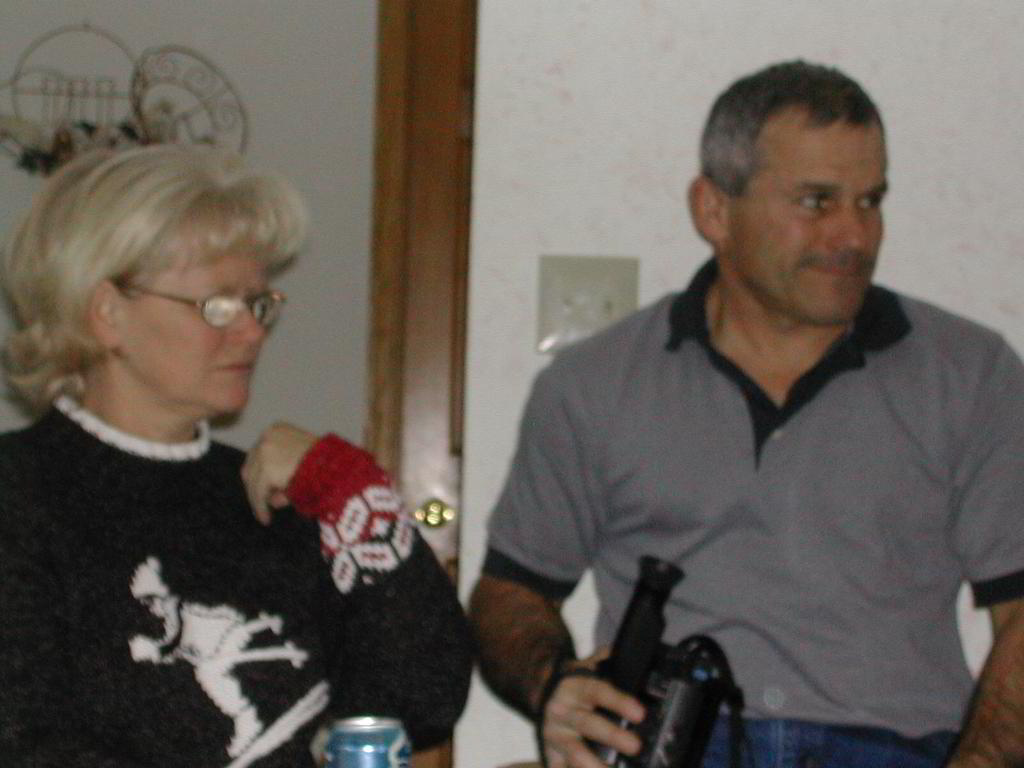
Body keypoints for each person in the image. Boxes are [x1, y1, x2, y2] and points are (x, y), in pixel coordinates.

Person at [468, 60, 1024, 768]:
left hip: (898, 751)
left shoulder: (971, 375)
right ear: (714, 210)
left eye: (870, 201)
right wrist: (556, 685)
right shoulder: (593, 385)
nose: (855, 236)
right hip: (676, 748)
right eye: (817, 202)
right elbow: (511, 593)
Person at [0, 145, 472, 767]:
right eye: (217, 306)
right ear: (108, 314)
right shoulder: (19, 496)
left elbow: (421, 698)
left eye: (258, 304)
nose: (251, 332)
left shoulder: (268, 494)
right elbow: (28, 743)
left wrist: (349, 490)